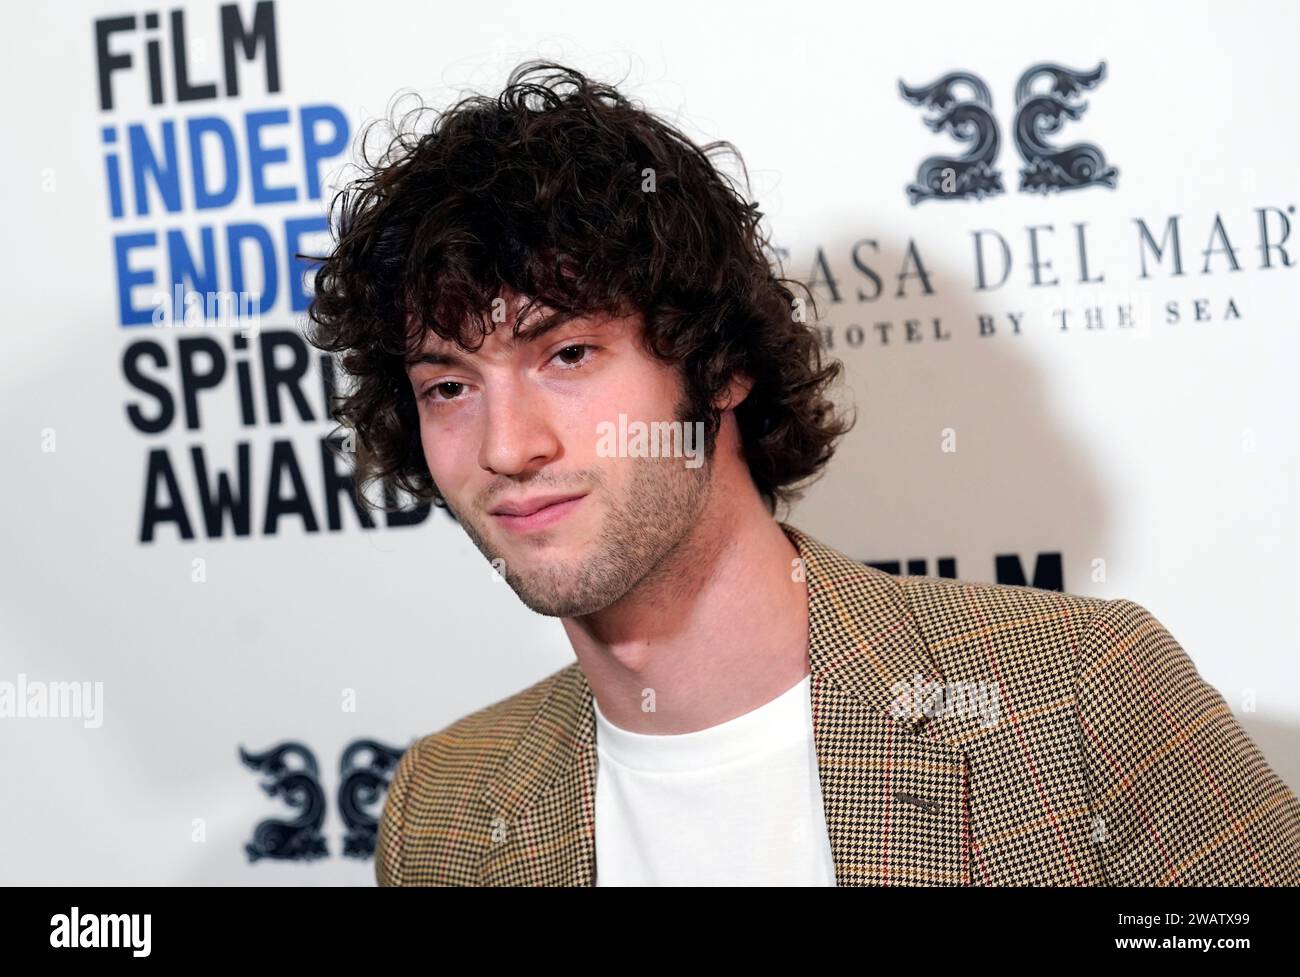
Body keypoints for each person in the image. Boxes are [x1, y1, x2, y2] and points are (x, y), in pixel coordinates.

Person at [306, 60, 1300, 886]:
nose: (505, 446)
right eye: (448, 386)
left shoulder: (1073, 696)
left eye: (566, 356)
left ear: (719, 364)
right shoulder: (442, 811)